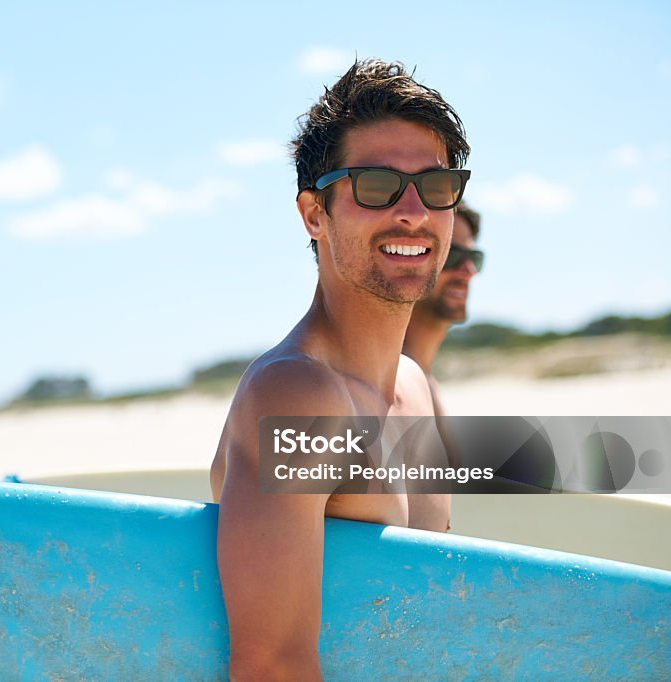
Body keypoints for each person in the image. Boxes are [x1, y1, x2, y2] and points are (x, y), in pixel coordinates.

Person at [208, 59, 470, 680]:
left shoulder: (412, 387)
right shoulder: (298, 395)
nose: (412, 212)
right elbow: (273, 666)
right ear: (313, 214)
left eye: (435, 187)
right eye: (376, 185)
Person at [402, 202, 484, 417]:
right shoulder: (392, 385)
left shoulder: (424, 382)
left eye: (474, 259)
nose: (468, 271)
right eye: (451, 255)